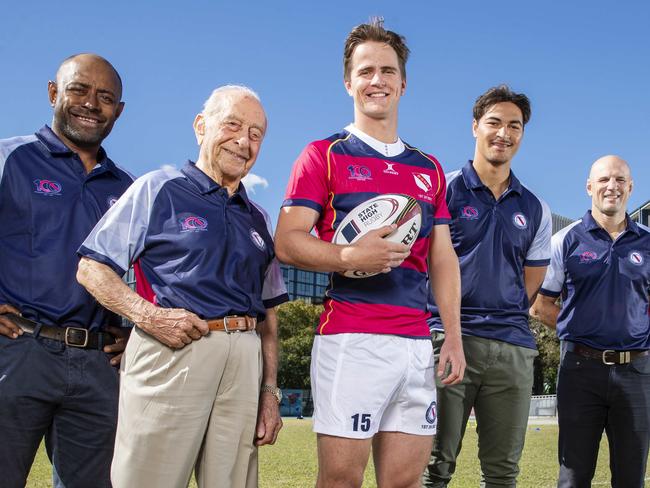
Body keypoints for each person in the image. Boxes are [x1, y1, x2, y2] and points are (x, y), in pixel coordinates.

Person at [275, 18, 465, 488]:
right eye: (365, 71)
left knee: (403, 482)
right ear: (348, 82)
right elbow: (287, 240)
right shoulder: (325, 154)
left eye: (386, 71)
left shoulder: (429, 168)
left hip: (417, 343)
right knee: (341, 480)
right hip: (350, 339)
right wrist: (347, 258)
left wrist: (454, 336)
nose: (376, 81)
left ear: (403, 83)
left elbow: (442, 258)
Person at [76, 84, 288, 488]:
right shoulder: (158, 188)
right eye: (232, 125)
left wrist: (270, 393)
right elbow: (91, 268)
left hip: (244, 362)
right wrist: (148, 316)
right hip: (173, 349)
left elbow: (270, 318)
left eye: (256, 134)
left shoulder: (258, 217)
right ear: (200, 126)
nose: (244, 141)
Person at [0, 54, 132, 488]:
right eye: (79, 90)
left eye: (106, 97)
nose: (91, 104)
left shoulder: (129, 189)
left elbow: (143, 274)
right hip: (18, 351)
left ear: (119, 110)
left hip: (98, 366)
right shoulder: (10, 159)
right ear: (54, 93)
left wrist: (133, 329)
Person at [423, 85, 552, 488]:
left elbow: (530, 283)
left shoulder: (535, 208)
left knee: (502, 474)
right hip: (448, 339)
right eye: (494, 122)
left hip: (512, 348)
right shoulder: (442, 189)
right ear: (475, 126)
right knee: (433, 467)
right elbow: (422, 265)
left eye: (515, 125)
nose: (504, 133)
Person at [531, 156, 649, 488]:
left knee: (631, 477)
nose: (612, 186)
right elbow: (540, 307)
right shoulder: (564, 241)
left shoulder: (648, 242)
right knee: (574, 475)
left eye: (620, 180)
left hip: (637, 372)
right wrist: (581, 329)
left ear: (630, 187)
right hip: (581, 370)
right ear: (589, 187)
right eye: (603, 180)